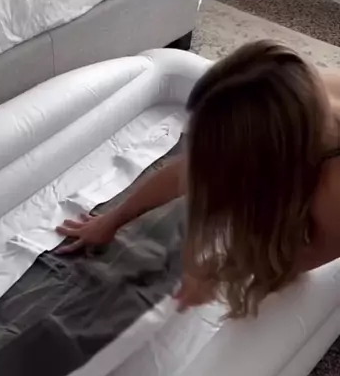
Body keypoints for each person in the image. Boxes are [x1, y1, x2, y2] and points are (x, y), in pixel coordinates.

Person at [55, 41, 340, 318]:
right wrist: (111, 220)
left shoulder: (332, 190)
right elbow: (190, 170)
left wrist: (222, 273)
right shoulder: (296, 94)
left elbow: (300, 260)